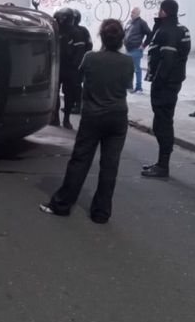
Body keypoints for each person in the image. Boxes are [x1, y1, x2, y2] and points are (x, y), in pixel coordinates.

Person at [40, 19, 134, 224]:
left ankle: (62, 204)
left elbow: (79, 78)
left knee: (80, 160)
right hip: (118, 117)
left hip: (93, 115)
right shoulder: (128, 62)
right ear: (121, 40)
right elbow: (127, 84)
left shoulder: (90, 58)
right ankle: (101, 213)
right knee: (110, 165)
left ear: (102, 36)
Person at [141, 0, 191, 179]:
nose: (158, 12)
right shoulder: (181, 29)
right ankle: (161, 163)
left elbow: (167, 59)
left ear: (164, 11)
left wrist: (158, 81)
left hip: (165, 84)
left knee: (162, 124)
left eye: (159, 10)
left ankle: (163, 166)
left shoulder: (167, 31)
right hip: (174, 81)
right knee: (164, 122)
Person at [51, 7, 86, 129]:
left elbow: (79, 53)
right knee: (55, 94)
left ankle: (66, 119)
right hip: (57, 67)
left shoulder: (77, 33)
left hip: (70, 69)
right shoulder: (56, 31)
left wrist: (75, 68)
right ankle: (56, 117)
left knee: (68, 95)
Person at [124, 7, 152, 93]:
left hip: (136, 48)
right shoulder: (129, 22)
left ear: (138, 14)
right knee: (128, 68)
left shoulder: (142, 23)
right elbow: (124, 32)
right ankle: (129, 86)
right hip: (127, 49)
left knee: (136, 69)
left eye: (133, 13)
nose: (131, 14)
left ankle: (139, 87)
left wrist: (143, 45)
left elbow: (150, 34)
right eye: (131, 12)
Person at [71, 8, 92, 114]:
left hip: (77, 64)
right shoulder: (81, 30)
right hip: (76, 63)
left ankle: (78, 105)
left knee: (77, 85)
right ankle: (74, 104)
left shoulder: (81, 30)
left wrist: (84, 59)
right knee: (74, 85)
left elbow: (89, 45)